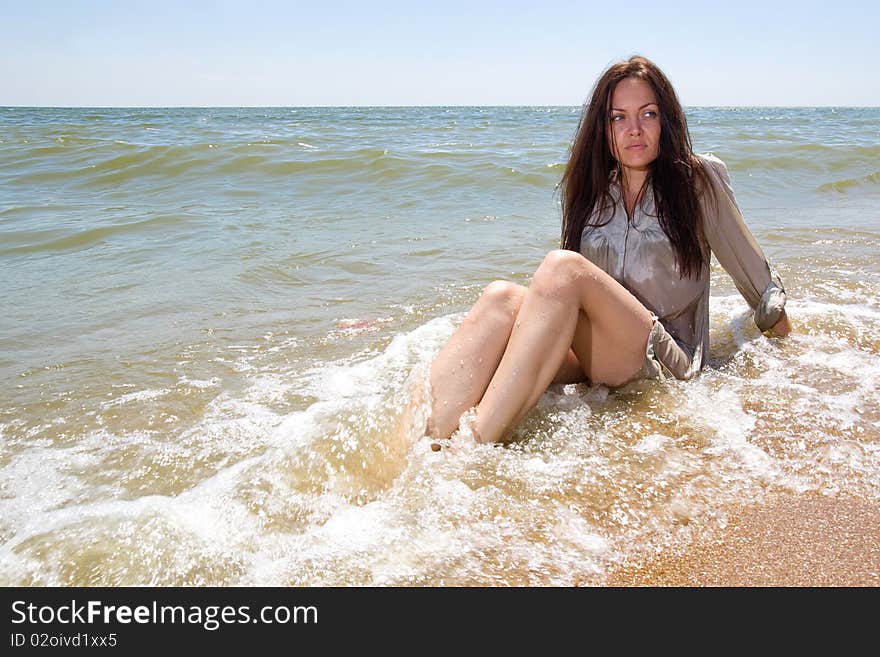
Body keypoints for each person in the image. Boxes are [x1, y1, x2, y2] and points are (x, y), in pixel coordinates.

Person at [424, 55, 790, 445]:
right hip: (597, 357)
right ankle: (420, 447)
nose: (634, 129)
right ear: (604, 127)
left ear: (666, 121)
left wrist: (796, 367)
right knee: (501, 297)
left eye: (647, 114)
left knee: (562, 267)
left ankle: (473, 449)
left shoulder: (698, 181)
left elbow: (758, 283)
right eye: (619, 117)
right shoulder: (592, 191)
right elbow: (566, 301)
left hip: (663, 358)